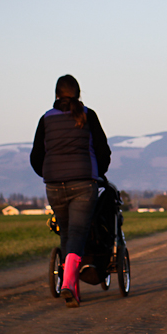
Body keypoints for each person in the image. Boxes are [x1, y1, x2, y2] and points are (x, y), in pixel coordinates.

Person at [30, 75, 111, 307]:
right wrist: (98, 172)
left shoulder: (46, 119)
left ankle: (72, 286)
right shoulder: (88, 115)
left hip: (54, 184)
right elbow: (103, 149)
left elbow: (36, 155)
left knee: (66, 232)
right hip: (84, 182)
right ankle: (68, 283)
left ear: (56, 94)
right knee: (77, 233)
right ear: (78, 93)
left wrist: (47, 173)